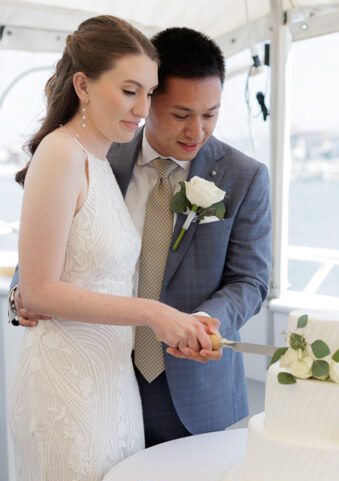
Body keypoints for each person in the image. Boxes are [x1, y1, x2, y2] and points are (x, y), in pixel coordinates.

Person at [0, 17, 213, 481]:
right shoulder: (60, 153)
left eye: (146, 93)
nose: (141, 109)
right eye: (128, 90)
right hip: (66, 389)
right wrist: (151, 312)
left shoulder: (94, 157)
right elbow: (41, 289)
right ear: (83, 85)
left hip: (111, 386)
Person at [15, 25, 271, 447]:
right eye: (181, 115)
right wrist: (18, 295)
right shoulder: (96, 155)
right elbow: (44, 253)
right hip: (102, 379)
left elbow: (250, 281)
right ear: (150, 100)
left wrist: (206, 322)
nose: (197, 131)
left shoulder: (245, 176)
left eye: (211, 114)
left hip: (196, 395)